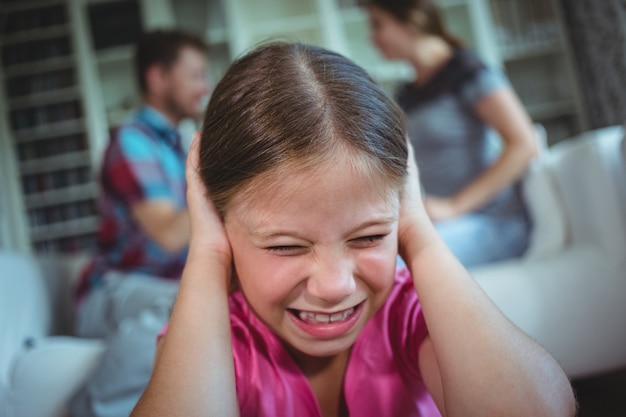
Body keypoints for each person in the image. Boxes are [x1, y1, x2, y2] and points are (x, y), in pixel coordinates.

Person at [130, 42, 575, 417]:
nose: (334, 286)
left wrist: (418, 232)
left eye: (368, 237)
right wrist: (207, 252)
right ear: (223, 228)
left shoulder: (408, 314)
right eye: (286, 246)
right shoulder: (214, 341)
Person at [70, 29, 211, 417]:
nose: (205, 86)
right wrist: (230, 184)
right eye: (196, 74)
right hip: (112, 290)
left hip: (153, 284)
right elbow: (168, 234)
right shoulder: (131, 141)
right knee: (184, 303)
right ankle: (86, 409)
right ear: (157, 78)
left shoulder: (177, 143)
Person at [361, 0, 538, 267]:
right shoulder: (407, 93)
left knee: (386, 266)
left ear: (411, 20)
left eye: (378, 25)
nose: (372, 38)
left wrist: (454, 206)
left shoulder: (466, 72)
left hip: (492, 222)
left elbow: (524, 144)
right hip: (440, 222)